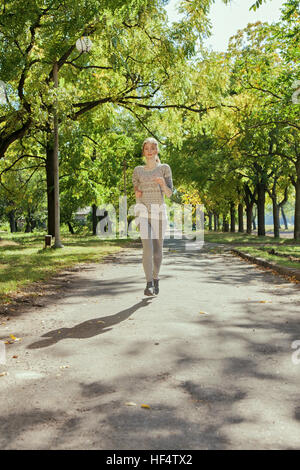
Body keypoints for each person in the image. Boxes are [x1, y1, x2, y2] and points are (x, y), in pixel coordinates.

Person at [132, 137, 174, 296]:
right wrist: (137, 192)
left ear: (156, 151)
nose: (149, 151)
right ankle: (148, 284)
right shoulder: (138, 170)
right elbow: (136, 188)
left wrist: (162, 184)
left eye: (152, 148)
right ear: (143, 151)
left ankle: (156, 279)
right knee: (147, 248)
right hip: (142, 212)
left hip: (159, 213)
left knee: (157, 251)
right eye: (146, 148)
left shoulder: (164, 168)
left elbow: (170, 194)